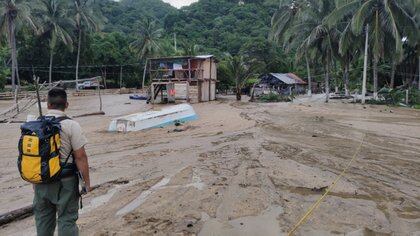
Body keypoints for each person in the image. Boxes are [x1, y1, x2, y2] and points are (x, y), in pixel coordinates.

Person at [33, 88, 90, 236]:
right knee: (67, 219)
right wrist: (86, 184)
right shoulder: (72, 125)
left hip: (41, 181)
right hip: (66, 182)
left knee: (43, 221)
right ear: (67, 104)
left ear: (48, 105)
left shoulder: (34, 124)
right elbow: (80, 157)